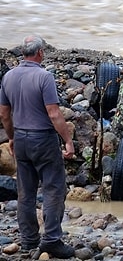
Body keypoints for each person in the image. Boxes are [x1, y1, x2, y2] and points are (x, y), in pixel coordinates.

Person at [0, 35, 75, 258]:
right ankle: (51, 239)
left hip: (21, 140)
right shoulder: (44, 77)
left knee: (26, 192)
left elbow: (4, 113)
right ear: (40, 52)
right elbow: (53, 113)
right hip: (42, 139)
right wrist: (68, 141)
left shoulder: (9, 76)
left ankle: (28, 241)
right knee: (53, 188)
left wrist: (12, 138)